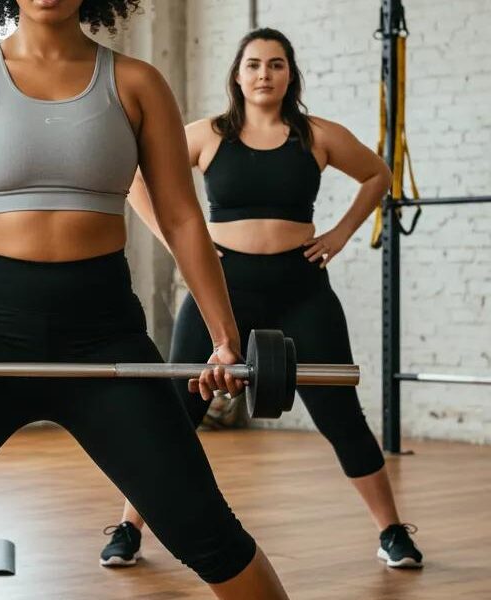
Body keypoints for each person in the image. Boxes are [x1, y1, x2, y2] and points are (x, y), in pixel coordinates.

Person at [0, 1, 291, 598]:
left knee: (207, 531)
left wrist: (225, 341)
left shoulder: (137, 84)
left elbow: (181, 219)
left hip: (105, 334)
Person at [99, 28, 423, 570]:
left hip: (301, 288)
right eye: (253, 65)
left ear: (290, 73)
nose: (264, 74)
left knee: (340, 410)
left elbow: (378, 174)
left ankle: (392, 532)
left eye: (275, 64)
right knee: (178, 410)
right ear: (237, 75)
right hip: (220, 288)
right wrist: (184, 247)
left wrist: (341, 234)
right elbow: (136, 179)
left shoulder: (317, 134)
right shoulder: (207, 135)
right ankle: (130, 529)